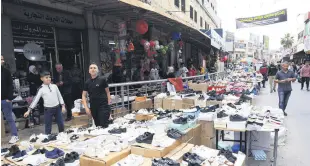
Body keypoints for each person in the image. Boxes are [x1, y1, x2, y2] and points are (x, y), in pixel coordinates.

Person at [82, 63, 112, 128]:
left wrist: (109, 105)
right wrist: (86, 108)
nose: (93, 69)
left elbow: (108, 92)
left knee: (104, 125)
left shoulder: (102, 80)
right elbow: (83, 95)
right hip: (93, 107)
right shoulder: (87, 82)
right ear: (89, 71)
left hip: (103, 106)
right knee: (97, 125)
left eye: (94, 68)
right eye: (91, 68)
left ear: (98, 70)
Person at [1, 55, 19, 144]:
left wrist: (9, 97)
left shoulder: (6, 72)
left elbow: (10, 86)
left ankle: (15, 136)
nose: (2, 61)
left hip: (5, 99)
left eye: (2, 59)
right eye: (1, 59)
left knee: (9, 118)